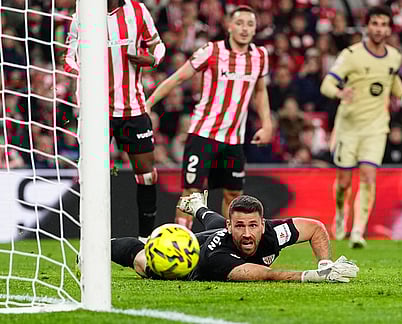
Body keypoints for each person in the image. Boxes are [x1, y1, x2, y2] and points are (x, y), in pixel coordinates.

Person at [145, 5, 273, 229]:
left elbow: (260, 91)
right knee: (192, 192)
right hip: (203, 134)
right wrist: (148, 103)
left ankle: (227, 245)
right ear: (229, 26)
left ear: (255, 29)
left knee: (233, 193)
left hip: (234, 139)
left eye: (250, 24)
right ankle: (181, 241)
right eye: (240, 23)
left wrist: (267, 124)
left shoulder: (260, 56)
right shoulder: (212, 51)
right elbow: (178, 78)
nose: (244, 28)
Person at [320, 6, 402, 248]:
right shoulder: (351, 54)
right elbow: (327, 83)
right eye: (375, 23)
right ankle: (340, 214)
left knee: (368, 175)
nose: (379, 29)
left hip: (376, 127)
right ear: (367, 27)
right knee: (344, 182)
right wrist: (339, 92)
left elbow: (393, 79)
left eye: (384, 24)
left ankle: (358, 230)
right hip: (348, 127)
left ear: (389, 28)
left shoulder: (394, 56)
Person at [64, 0, 166, 239]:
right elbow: (68, 58)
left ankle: (145, 239)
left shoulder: (138, 10)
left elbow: (157, 45)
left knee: (147, 173)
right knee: (93, 175)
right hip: (97, 112)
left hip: (133, 108)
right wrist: (86, 69)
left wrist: (152, 60)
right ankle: (91, 243)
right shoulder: (84, 13)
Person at [111, 193, 359, 283]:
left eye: (254, 225)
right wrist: (312, 276)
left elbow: (315, 228)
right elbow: (265, 274)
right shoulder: (218, 259)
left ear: (263, 224)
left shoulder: (272, 232)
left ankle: (198, 206)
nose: (248, 233)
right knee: (146, 261)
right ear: (232, 226)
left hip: (218, 231)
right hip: (192, 257)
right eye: (240, 225)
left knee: (215, 222)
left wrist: (326, 264)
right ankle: (100, 248)